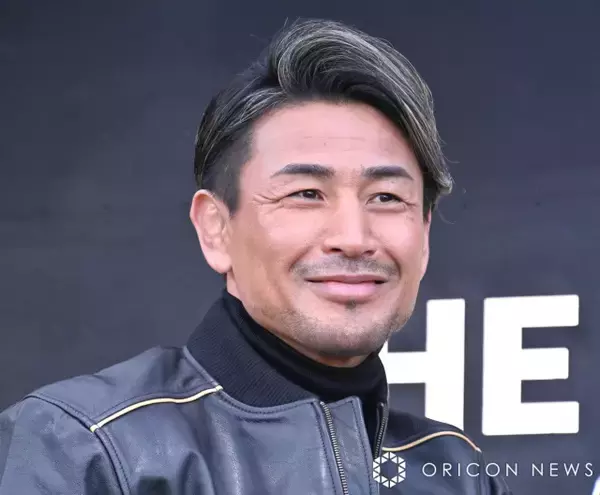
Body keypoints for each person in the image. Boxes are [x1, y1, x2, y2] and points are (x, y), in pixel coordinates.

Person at [0, 18, 512, 494]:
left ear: (424, 233)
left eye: (386, 197)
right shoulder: (83, 447)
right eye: (306, 194)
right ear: (216, 229)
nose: (354, 238)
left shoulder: (456, 472)